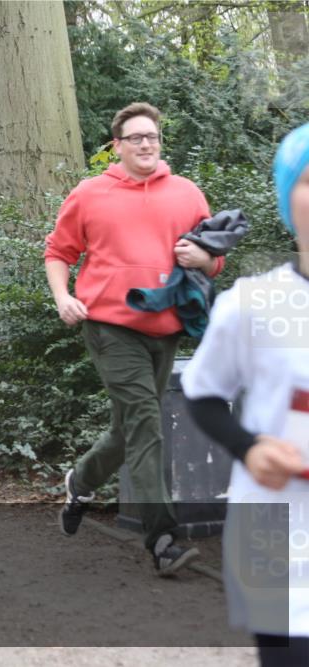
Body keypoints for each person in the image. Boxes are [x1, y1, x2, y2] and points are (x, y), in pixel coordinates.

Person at [45, 102, 221, 575]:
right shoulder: (89, 194)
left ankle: (79, 482)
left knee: (127, 432)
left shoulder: (187, 194)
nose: (147, 144)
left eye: (153, 136)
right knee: (147, 421)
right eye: (136, 137)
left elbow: (214, 259)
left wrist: (203, 259)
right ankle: (163, 538)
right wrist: (63, 296)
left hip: (165, 332)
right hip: (109, 327)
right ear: (117, 146)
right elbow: (58, 252)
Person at [182, 123, 309, 665]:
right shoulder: (252, 304)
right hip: (275, 527)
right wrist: (251, 447)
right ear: (288, 200)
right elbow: (201, 393)